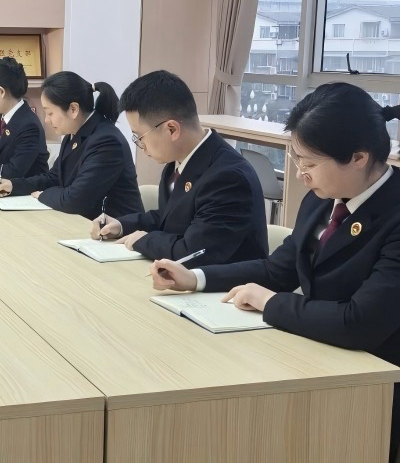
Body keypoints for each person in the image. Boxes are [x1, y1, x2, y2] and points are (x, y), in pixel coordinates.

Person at [149, 83, 400, 462]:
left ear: (359, 158)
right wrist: (196, 278)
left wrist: (270, 303)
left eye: (309, 164)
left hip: (375, 384)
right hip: (317, 355)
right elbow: (277, 270)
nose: (300, 175)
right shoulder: (324, 200)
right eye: (297, 161)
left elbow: (359, 322)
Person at [90, 70, 267, 264]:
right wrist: (122, 225)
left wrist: (144, 240)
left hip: (220, 281)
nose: (140, 145)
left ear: (172, 129)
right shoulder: (178, 161)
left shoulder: (228, 178)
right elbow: (169, 219)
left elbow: (194, 252)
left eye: (139, 136)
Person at [0, 71, 143, 219]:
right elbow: (54, 178)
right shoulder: (73, 134)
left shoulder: (107, 142)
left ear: (73, 109)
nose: (47, 120)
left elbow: (76, 200)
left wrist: (43, 195)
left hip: (117, 231)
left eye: (50, 113)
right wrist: (14, 186)